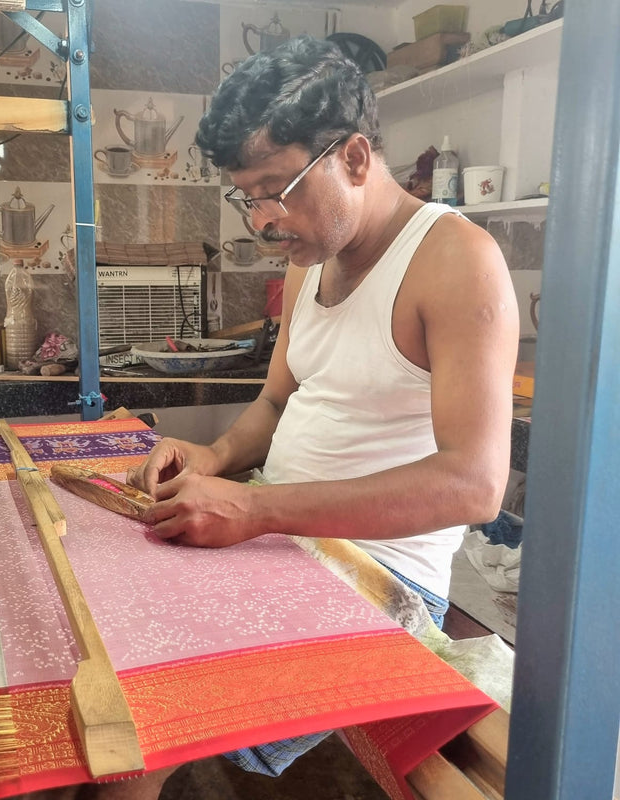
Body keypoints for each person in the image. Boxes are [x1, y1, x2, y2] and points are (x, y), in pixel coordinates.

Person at [94, 34, 518, 800]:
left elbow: (473, 486)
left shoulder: (456, 260)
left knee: (142, 720)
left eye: (274, 189)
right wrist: (217, 459)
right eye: (245, 195)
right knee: (101, 621)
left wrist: (254, 507)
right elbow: (277, 402)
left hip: (379, 578)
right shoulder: (312, 263)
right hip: (285, 541)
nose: (260, 219)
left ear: (354, 158)